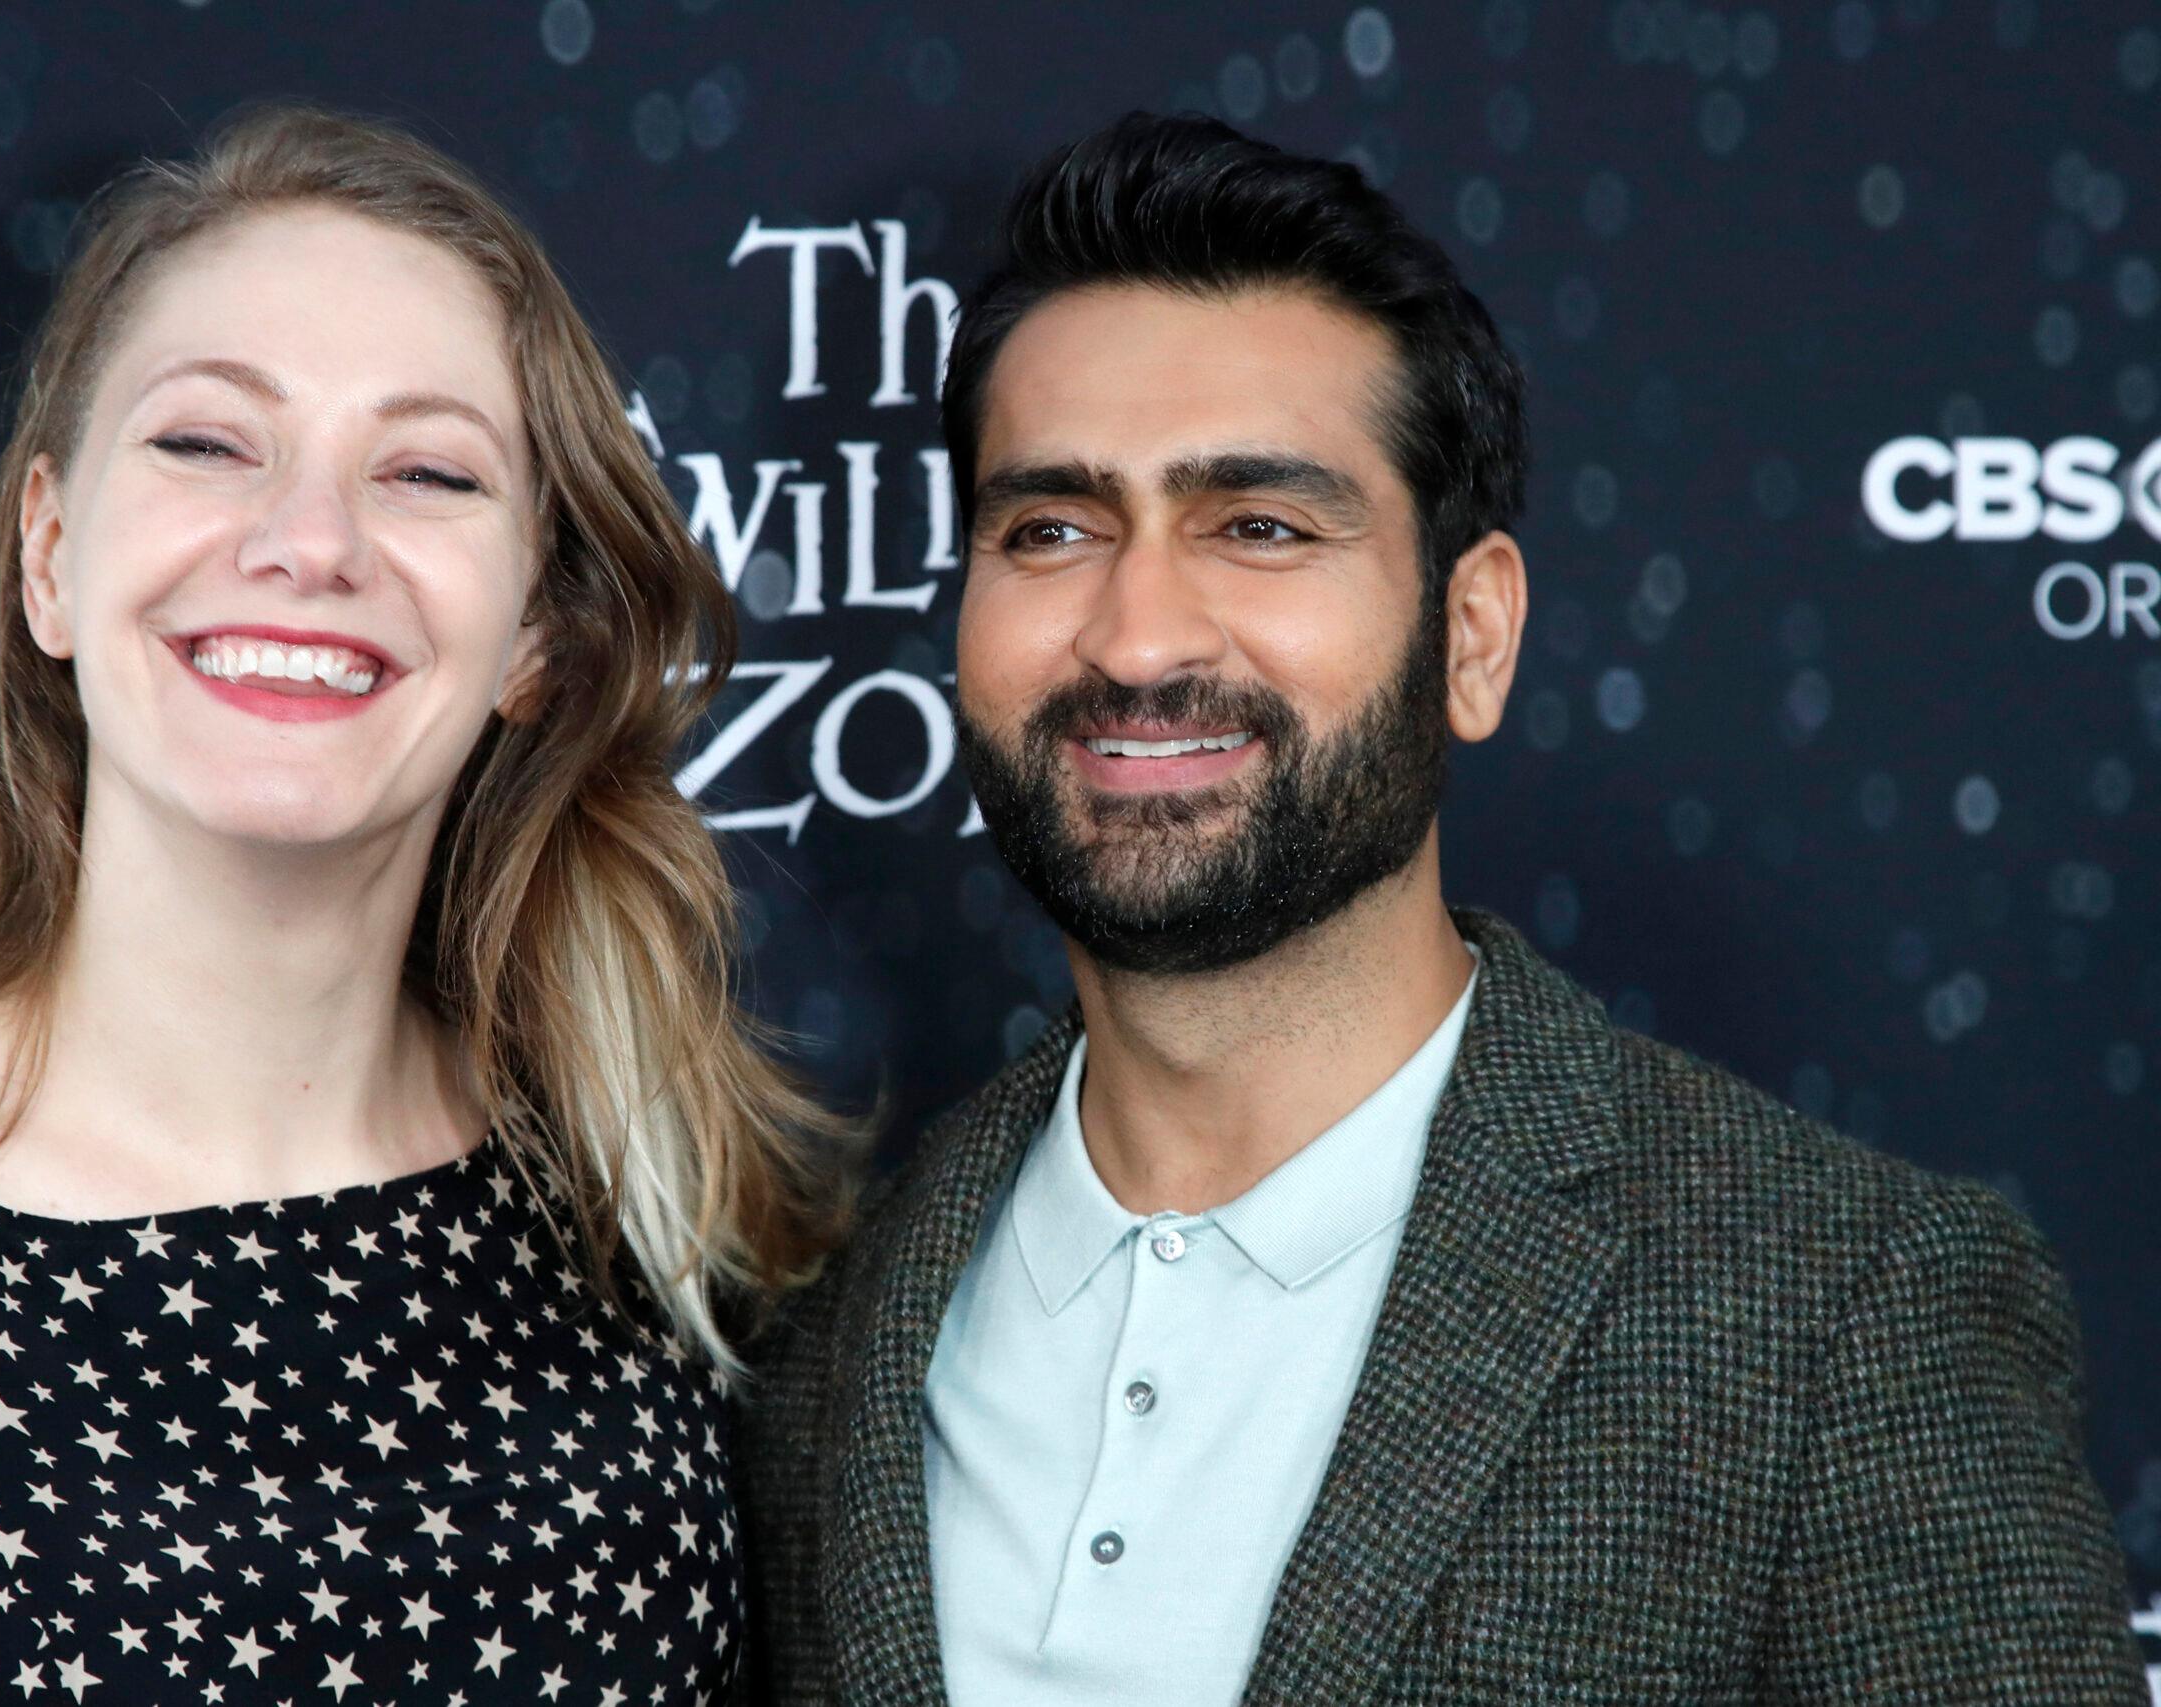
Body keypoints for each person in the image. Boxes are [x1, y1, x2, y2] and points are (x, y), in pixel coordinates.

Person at [736, 113, 2144, 1704]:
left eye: (1259, 527)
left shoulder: (1847, 1312)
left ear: (1471, 635)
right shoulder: (819, 1339)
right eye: (1049, 529)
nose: (1134, 638)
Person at [0, 103, 838, 1703]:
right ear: (48, 557)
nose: (310, 542)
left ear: (537, 632)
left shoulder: (639, 1203)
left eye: (427, 470)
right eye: (206, 441)